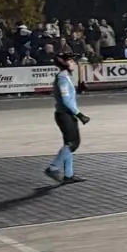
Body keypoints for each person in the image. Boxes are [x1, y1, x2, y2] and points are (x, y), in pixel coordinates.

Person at [45, 53, 89, 184]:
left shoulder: (66, 76)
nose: (74, 63)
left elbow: (69, 97)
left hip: (66, 114)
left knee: (69, 144)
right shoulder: (63, 77)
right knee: (72, 144)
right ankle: (53, 168)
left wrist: (79, 90)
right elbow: (66, 101)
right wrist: (80, 115)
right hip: (65, 115)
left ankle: (68, 175)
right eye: (72, 61)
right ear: (66, 63)